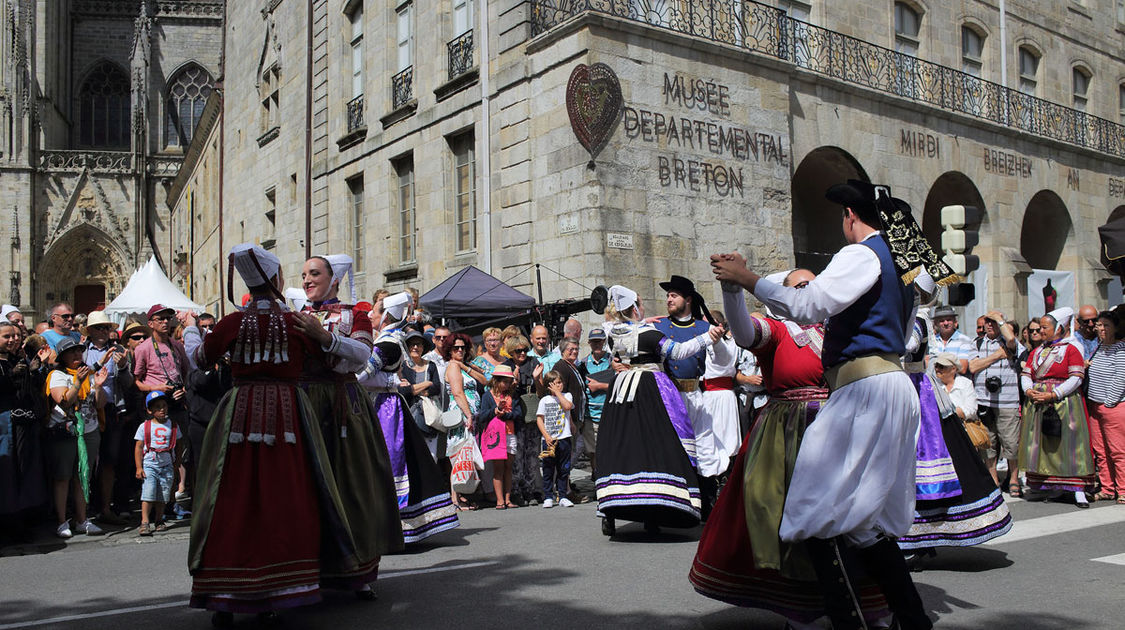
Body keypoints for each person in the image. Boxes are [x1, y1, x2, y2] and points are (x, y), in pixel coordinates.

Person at [712, 181, 946, 629]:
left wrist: (748, 279)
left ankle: (850, 622)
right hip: (889, 385)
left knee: (812, 512)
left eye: (842, 216)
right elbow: (929, 290)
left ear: (850, 217)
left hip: (865, 388)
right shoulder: (901, 260)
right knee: (861, 523)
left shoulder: (863, 253)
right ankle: (912, 620)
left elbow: (812, 303)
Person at [692, 268, 890, 628]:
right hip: (788, 433)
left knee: (852, 520)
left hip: (840, 429)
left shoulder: (836, 328)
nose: (810, 290)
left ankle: (863, 600)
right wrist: (733, 292)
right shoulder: (780, 329)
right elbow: (743, 333)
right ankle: (802, 611)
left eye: (814, 285)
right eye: (800, 286)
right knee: (790, 520)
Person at [188, 244, 364, 625]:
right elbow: (336, 361)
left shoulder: (231, 323)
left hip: (239, 415)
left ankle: (224, 591)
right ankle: (279, 587)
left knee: (230, 495)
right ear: (276, 280)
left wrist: (193, 331)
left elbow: (199, 359)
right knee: (288, 493)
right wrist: (323, 339)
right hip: (287, 415)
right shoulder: (297, 323)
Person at [296, 254, 402, 595]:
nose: (307, 280)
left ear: (334, 279)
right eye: (304, 275)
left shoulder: (353, 313)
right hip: (305, 404)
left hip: (343, 404)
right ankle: (307, 567)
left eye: (315, 274)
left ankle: (356, 571)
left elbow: (362, 354)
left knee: (350, 483)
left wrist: (326, 339)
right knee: (306, 486)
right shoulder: (296, 316)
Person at [595, 285, 719, 535]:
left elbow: (616, 350)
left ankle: (610, 509)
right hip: (648, 390)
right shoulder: (649, 335)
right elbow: (680, 352)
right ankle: (653, 510)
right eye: (640, 304)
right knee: (653, 445)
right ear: (634, 308)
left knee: (620, 446)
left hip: (620, 393)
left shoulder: (613, 333)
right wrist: (709, 336)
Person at [360, 295, 460, 543]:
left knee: (390, 465)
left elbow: (360, 376)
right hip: (384, 405)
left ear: (386, 316)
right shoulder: (389, 340)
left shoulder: (388, 344)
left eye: (374, 312)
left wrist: (389, 381)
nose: (370, 316)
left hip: (385, 408)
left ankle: (395, 529)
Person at [897, 353, 1011, 558]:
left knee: (929, 470)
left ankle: (919, 540)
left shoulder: (914, 321)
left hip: (918, 396)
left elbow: (906, 346)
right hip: (898, 390)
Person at [653, 275, 721, 515]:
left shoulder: (705, 329)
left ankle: (707, 501)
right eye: (668, 296)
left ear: (688, 299)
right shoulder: (660, 327)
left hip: (696, 395)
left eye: (674, 295)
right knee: (673, 448)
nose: (669, 299)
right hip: (670, 397)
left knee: (703, 447)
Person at [1019, 307, 1096, 507]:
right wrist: (1029, 391)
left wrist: (1054, 394)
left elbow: (1076, 378)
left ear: (1059, 328)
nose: (1041, 331)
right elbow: (1026, 375)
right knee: (1046, 444)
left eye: (1045, 327)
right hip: (1039, 402)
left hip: (1065, 403)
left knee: (1070, 445)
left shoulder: (1071, 349)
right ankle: (1055, 486)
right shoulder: (1036, 351)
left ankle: (1078, 489)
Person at [45, 337, 109, 538]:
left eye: (79, 351)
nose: (76, 355)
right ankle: (62, 521)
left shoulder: (88, 373)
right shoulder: (57, 375)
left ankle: (82, 520)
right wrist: (78, 382)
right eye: (72, 352)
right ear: (62, 356)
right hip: (66, 432)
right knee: (63, 477)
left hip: (89, 431)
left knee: (83, 477)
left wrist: (98, 386)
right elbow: (63, 401)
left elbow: (99, 404)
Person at [133, 303, 192, 517]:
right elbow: (137, 381)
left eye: (168, 318)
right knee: (155, 456)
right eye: (160, 319)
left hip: (176, 405)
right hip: (155, 405)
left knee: (177, 455)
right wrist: (156, 388)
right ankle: (156, 507)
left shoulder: (177, 346)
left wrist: (182, 390)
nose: (166, 322)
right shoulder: (143, 349)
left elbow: (186, 374)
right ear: (150, 324)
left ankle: (171, 501)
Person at [0, 321, 49, 543]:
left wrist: (35, 371)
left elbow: (34, 387)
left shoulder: (20, 359)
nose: (12, 340)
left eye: (15, 336)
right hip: (5, 424)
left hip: (25, 421)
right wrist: (11, 377)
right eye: (6, 336)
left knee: (25, 469)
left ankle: (22, 518)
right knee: (8, 471)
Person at [81, 310, 131, 525]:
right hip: (87, 410)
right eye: (98, 328)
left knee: (110, 460)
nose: (103, 332)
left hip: (111, 410)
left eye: (106, 328)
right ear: (90, 331)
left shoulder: (119, 350)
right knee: (87, 461)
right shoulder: (82, 351)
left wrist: (122, 367)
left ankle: (105, 507)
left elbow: (127, 384)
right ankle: (84, 509)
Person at [968, 310, 1026, 491]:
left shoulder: (1010, 343)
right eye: (988, 321)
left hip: (1007, 401)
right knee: (988, 443)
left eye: (994, 322)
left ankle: (1014, 478)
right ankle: (993, 479)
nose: (990, 325)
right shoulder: (976, 343)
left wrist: (1001, 321)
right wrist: (997, 356)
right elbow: (973, 366)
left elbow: (1010, 340)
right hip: (984, 400)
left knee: (1011, 443)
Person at [696, 309, 741, 521]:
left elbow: (722, 354)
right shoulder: (701, 344)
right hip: (705, 396)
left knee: (725, 442)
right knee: (706, 444)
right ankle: (707, 496)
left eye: (711, 323)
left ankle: (724, 493)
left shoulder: (727, 345)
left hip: (722, 397)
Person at [1086, 309, 1125, 504]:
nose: (1101, 328)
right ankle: (1108, 488)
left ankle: (1123, 489)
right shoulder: (1098, 347)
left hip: (1113, 407)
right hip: (1095, 405)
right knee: (1100, 451)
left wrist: (1109, 402)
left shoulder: (1121, 348)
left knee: (1118, 451)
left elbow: (1121, 377)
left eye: (1106, 325)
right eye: (1099, 325)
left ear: (1115, 327)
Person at [473, 365, 524, 509]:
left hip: (510, 434)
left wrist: (506, 414)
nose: (507, 385)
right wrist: (495, 411)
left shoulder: (512, 396)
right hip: (495, 436)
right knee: (498, 468)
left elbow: (519, 414)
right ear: (496, 381)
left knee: (509, 467)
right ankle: (499, 500)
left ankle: (508, 499)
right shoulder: (487, 396)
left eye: (509, 382)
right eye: (505, 381)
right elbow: (482, 416)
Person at [133, 391, 182, 536]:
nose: (162, 409)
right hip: (150, 464)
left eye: (164, 406)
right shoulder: (145, 426)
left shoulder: (173, 425)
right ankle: (145, 522)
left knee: (163, 494)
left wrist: (177, 461)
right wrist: (139, 467)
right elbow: (139, 447)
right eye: (158, 407)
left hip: (167, 464)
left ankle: (159, 519)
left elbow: (179, 444)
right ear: (150, 410)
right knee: (148, 493)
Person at [503, 334, 544, 506]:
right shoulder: (506, 367)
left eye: (525, 350)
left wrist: (536, 379)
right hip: (516, 416)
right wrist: (513, 383)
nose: (522, 354)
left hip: (532, 415)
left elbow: (542, 392)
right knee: (516, 456)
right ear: (511, 352)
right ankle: (516, 491)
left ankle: (529, 489)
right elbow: (502, 394)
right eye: (518, 351)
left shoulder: (533, 363)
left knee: (532, 455)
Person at [444, 332, 482, 509]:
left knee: (464, 456)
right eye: (456, 348)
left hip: (468, 416)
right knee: (458, 455)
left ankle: (459, 495)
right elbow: (458, 393)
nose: (459, 350)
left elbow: (486, 380)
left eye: (463, 347)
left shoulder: (462, 366)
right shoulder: (452, 367)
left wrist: (465, 367)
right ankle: (454, 498)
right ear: (449, 350)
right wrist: (468, 415)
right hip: (461, 416)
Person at [537, 370, 575, 509]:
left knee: (563, 469)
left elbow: (567, 407)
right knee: (548, 468)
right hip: (549, 439)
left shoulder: (567, 396)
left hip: (564, 437)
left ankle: (563, 496)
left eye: (560, 383)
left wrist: (558, 393)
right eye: (555, 384)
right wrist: (546, 436)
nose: (558, 386)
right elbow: (540, 419)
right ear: (548, 386)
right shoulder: (544, 400)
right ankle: (548, 496)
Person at [577, 328, 611, 476]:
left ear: (604, 342)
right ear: (589, 343)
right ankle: (597, 478)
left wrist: (600, 386)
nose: (597, 344)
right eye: (594, 341)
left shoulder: (612, 361)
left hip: (609, 415)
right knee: (593, 451)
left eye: (600, 341)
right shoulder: (582, 364)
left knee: (608, 450)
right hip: (590, 416)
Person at [928, 305, 972, 374]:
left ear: (955, 321)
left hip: (955, 383)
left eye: (949, 320)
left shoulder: (964, 340)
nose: (946, 323)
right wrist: (952, 363)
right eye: (941, 321)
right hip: (933, 384)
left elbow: (962, 368)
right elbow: (926, 365)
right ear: (936, 323)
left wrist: (936, 364)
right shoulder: (931, 341)